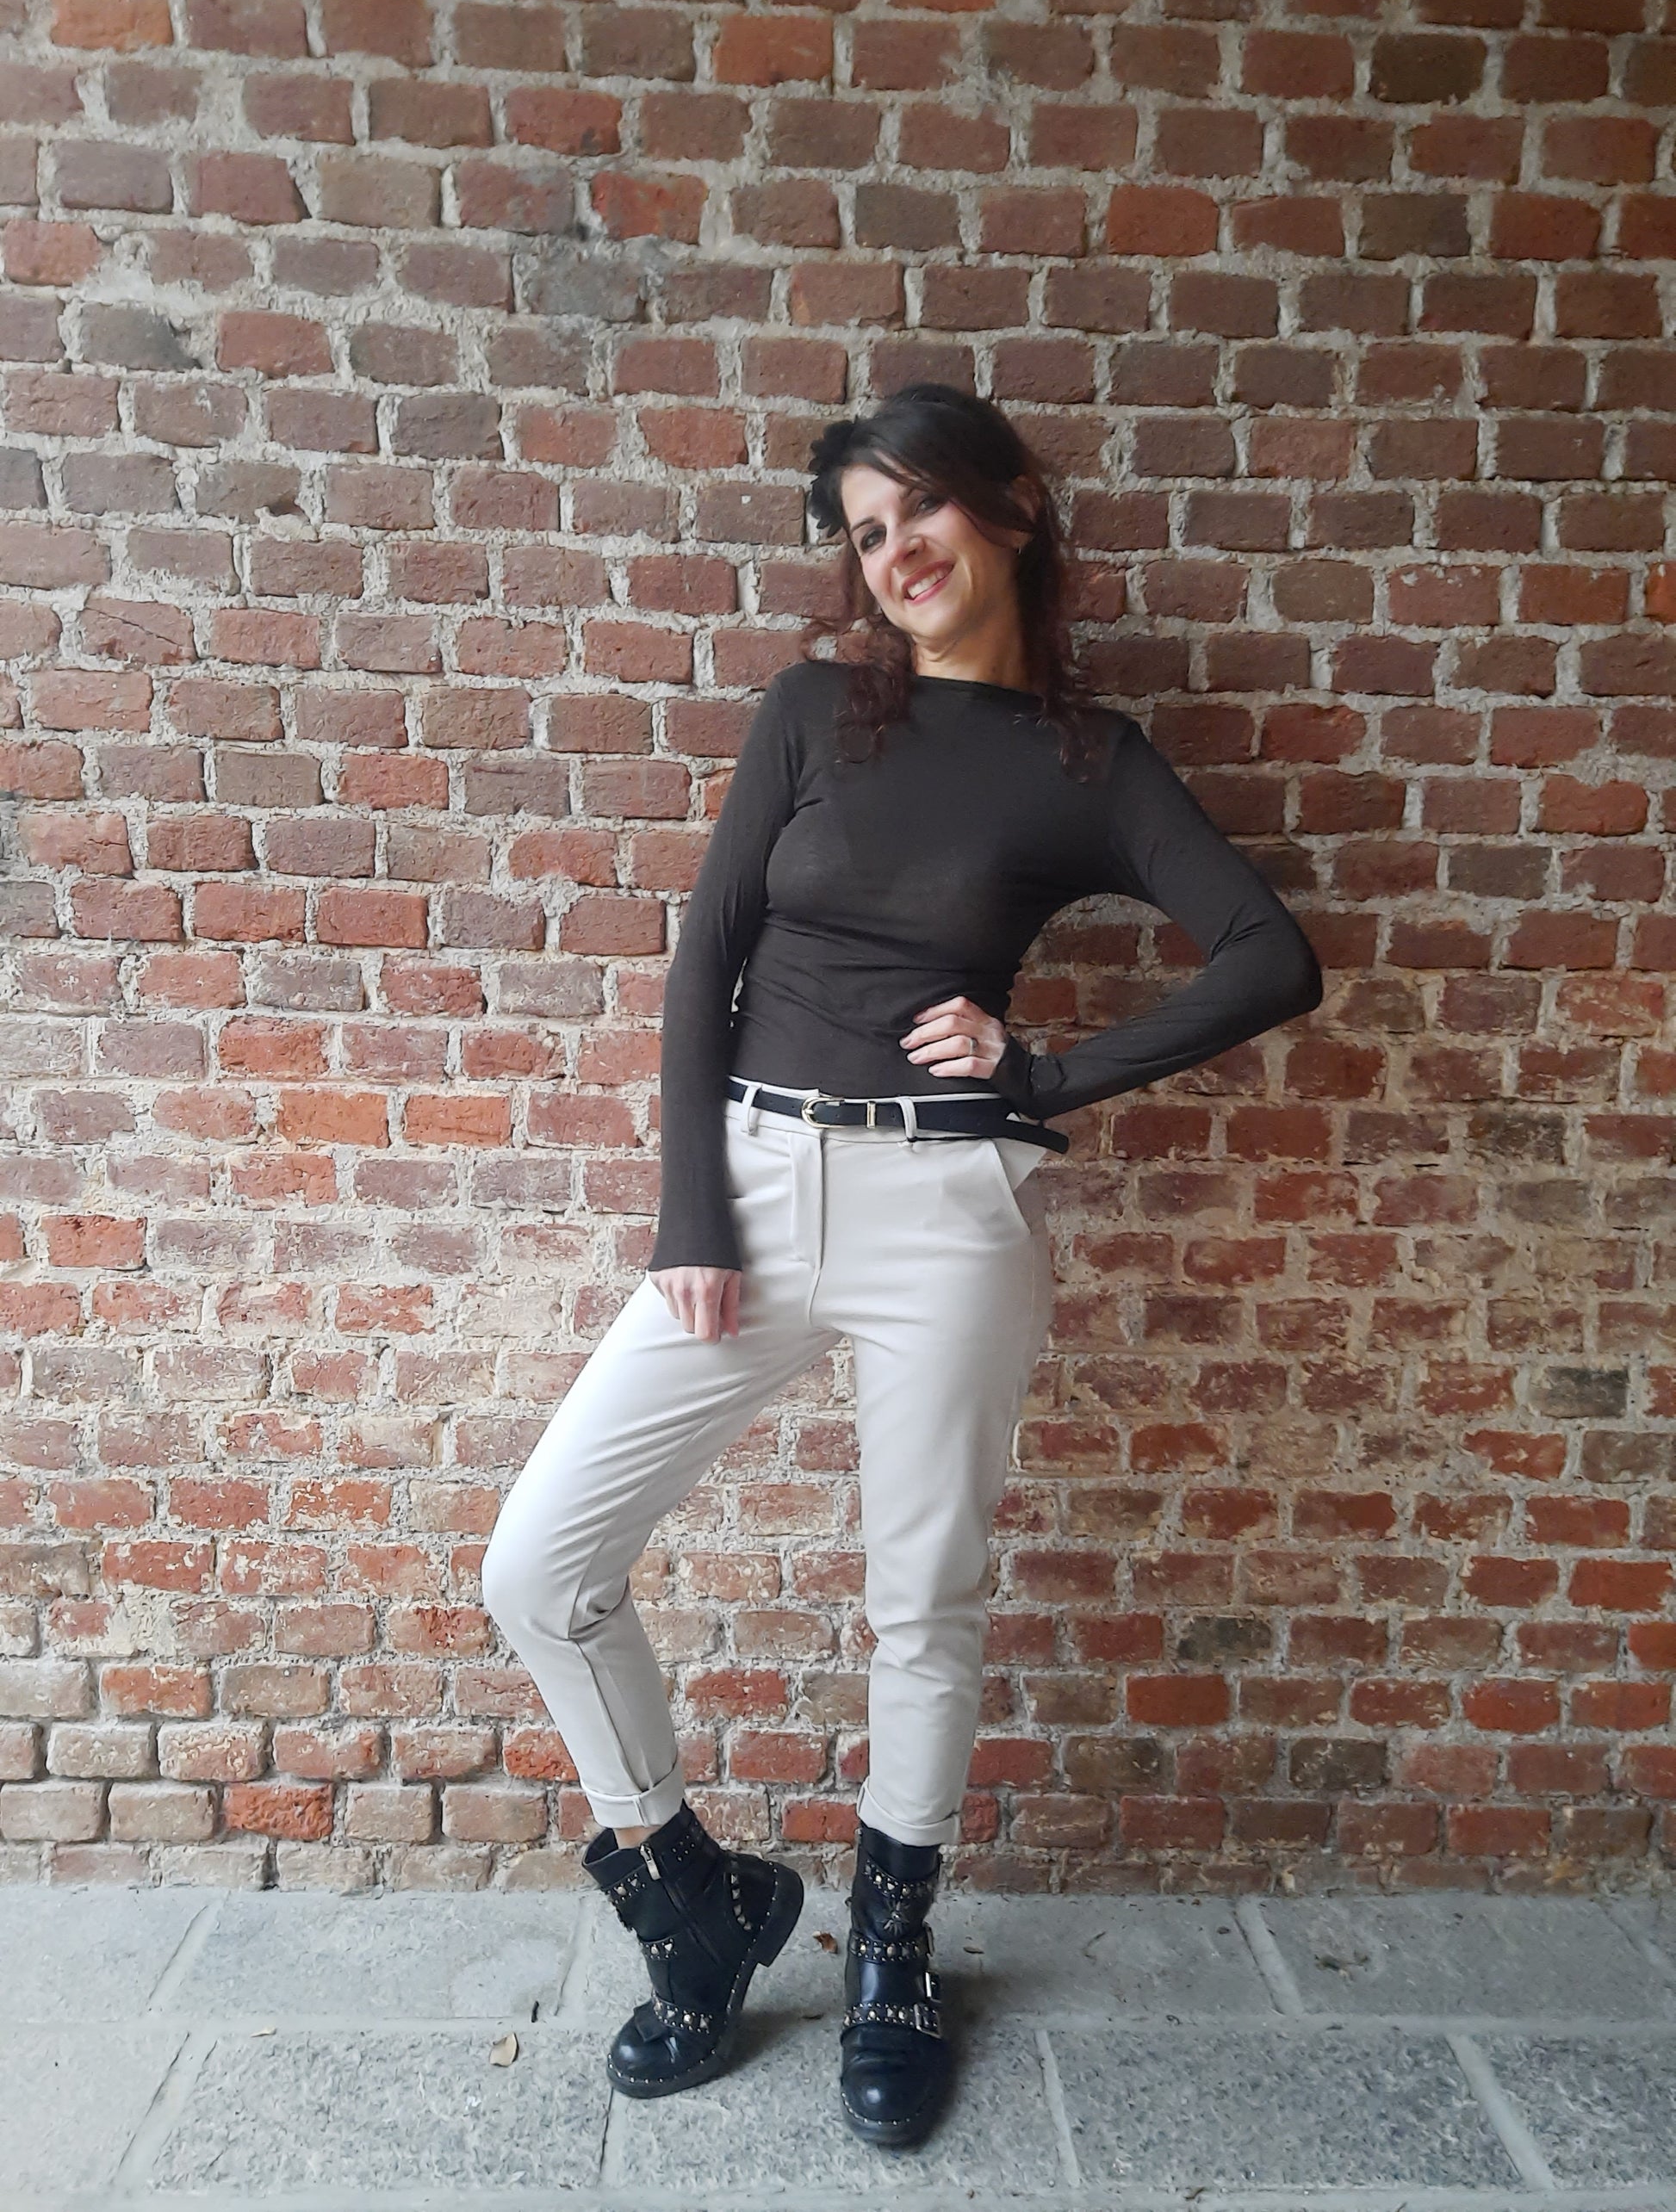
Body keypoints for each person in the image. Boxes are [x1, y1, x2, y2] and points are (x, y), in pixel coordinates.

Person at [481, 382, 1325, 2148]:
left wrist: (1049, 1073)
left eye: (918, 507)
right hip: (757, 1184)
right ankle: (691, 1896)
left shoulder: (1088, 760)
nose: (894, 552)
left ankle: (890, 1953)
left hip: (947, 1209)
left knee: (920, 1597)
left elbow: (1267, 954)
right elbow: (704, 959)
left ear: (1010, 506)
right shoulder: (810, 713)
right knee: (540, 1564)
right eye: (865, 533)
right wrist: (690, 1214)